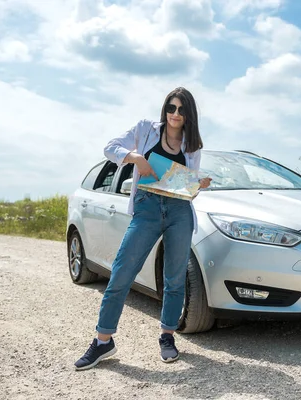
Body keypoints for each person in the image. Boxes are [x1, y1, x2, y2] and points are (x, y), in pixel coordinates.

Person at [74, 87, 211, 370]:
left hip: (178, 211)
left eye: (181, 110)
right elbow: (110, 148)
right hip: (147, 209)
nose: (175, 114)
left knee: (174, 278)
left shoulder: (193, 145)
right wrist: (134, 158)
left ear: (189, 115)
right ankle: (103, 341)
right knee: (122, 272)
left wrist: (197, 185)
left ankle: (167, 335)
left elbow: (188, 192)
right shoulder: (145, 129)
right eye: (171, 108)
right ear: (165, 109)